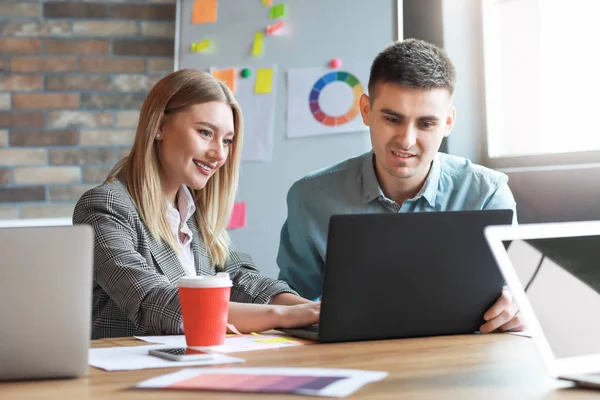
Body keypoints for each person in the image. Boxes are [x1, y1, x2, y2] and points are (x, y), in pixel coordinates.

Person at [277, 39, 523, 334]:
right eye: (393, 119)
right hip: (352, 357)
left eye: (426, 124)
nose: (406, 140)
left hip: (462, 357)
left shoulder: (488, 194)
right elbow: (292, 300)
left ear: (448, 123)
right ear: (366, 110)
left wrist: (517, 307)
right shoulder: (311, 197)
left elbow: (519, 294)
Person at [74, 69, 319, 339]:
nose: (219, 153)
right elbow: (153, 301)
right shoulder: (105, 206)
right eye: (205, 133)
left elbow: (239, 279)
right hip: (127, 373)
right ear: (158, 126)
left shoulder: (193, 209)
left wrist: (314, 310)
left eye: (226, 140)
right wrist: (283, 316)